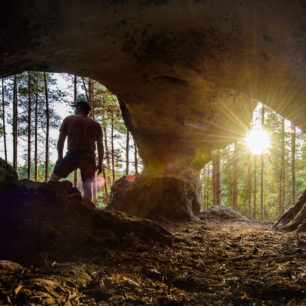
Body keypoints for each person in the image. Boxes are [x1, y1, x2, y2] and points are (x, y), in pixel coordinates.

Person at [48, 100, 103, 201]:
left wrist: (60, 158)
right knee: (87, 188)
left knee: (52, 179)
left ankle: (48, 204)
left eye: (75, 107)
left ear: (79, 108)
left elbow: (61, 141)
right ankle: (87, 212)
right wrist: (100, 163)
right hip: (89, 157)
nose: (74, 109)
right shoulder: (96, 125)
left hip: (73, 155)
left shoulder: (69, 119)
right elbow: (100, 146)